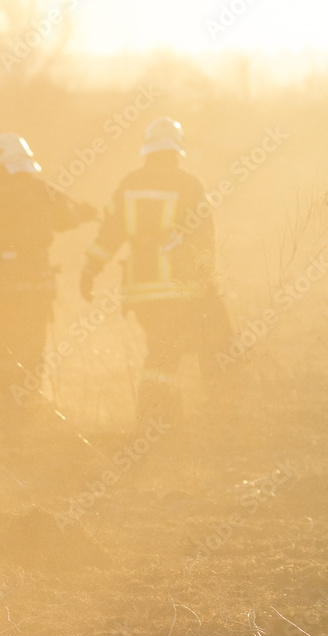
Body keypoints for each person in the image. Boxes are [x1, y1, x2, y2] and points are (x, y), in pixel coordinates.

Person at [80, 117, 227, 424]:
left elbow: (109, 233)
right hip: (174, 287)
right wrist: (204, 280)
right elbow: (204, 237)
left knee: (162, 349)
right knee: (166, 355)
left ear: (148, 148)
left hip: (139, 289)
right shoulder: (188, 184)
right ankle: (152, 418)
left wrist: (90, 270)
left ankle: (165, 418)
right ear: (176, 149)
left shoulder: (129, 183)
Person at [0, 133, 97, 408]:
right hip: (37, 281)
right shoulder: (45, 192)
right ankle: (29, 400)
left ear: (0, 168)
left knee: (6, 344)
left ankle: (9, 402)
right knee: (33, 343)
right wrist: (83, 214)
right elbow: (64, 220)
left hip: (4, 284)